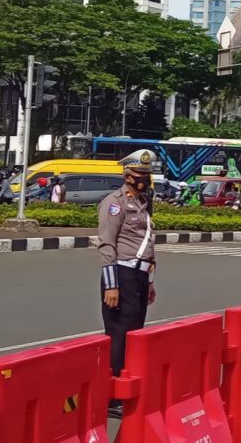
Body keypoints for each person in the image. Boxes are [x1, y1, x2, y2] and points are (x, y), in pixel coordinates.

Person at [98, 149, 159, 418]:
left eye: (147, 174)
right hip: (120, 274)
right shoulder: (114, 202)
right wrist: (111, 285)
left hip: (139, 276)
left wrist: (150, 282)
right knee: (119, 335)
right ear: (127, 175)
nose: (143, 179)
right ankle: (111, 395)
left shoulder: (145, 203)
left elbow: (148, 247)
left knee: (135, 333)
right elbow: (106, 244)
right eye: (139, 174)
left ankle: (127, 387)